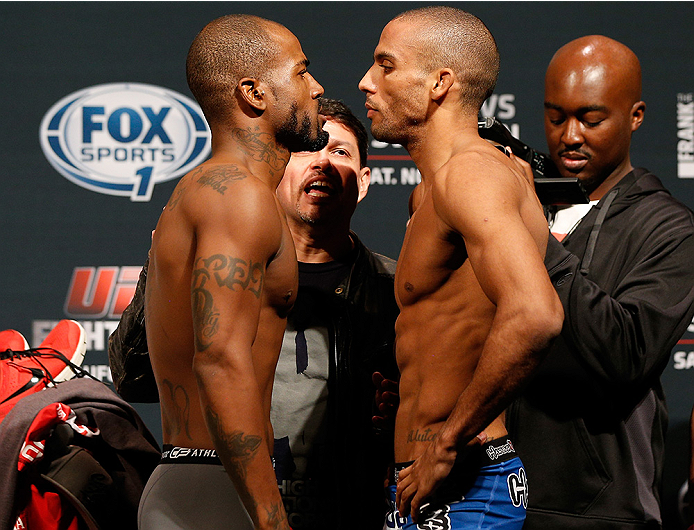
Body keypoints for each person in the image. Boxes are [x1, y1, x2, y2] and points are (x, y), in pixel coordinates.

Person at [108, 98, 399, 529]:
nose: (321, 163)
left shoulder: (395, 287)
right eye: (307, 149)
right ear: (279, 165)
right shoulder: (217, 270)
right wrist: (163, 266)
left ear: (366, 180)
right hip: (234, 503)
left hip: (352, 511)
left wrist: (397, 410)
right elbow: (133, 379)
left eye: (339, 152)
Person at [358, 6, 564, 529]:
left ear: (439, 83)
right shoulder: (432, 188)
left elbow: (536, 315)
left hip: (466, 481)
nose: (366, 82)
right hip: (420, 478)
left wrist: (446, 444)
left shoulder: (470, 174)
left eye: (386, 65)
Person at [137, 14, 327, 530]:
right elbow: (220, 357)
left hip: (209, 483)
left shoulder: (214, 190)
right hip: (213, 491)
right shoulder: (237, 196)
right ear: (254, 93)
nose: (316, 88)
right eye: (302, 72)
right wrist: (272, 522)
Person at [505, 36, 694, 529]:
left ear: (635, 116)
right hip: (492, 498)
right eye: (554, 116)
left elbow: (626, 352)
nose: (569, 136)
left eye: (591, 120)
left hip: (598, 510)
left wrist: (536, 241)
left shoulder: (669, 229)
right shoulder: (516, 209)